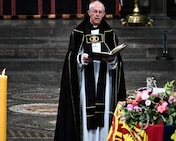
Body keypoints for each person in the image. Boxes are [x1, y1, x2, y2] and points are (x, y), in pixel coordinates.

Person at [54, 1, 127, 141]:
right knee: (85, 113)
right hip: (84, 81)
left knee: (104, 114)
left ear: (104, 14)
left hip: (105, 81)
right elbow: (70, 57)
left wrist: (112, 60)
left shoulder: (110, 34)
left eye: (100, 12)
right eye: (95, 11)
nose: (97, 15)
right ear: (88, 13)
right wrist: (81, 58)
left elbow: (118, 62)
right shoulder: (78, 33)